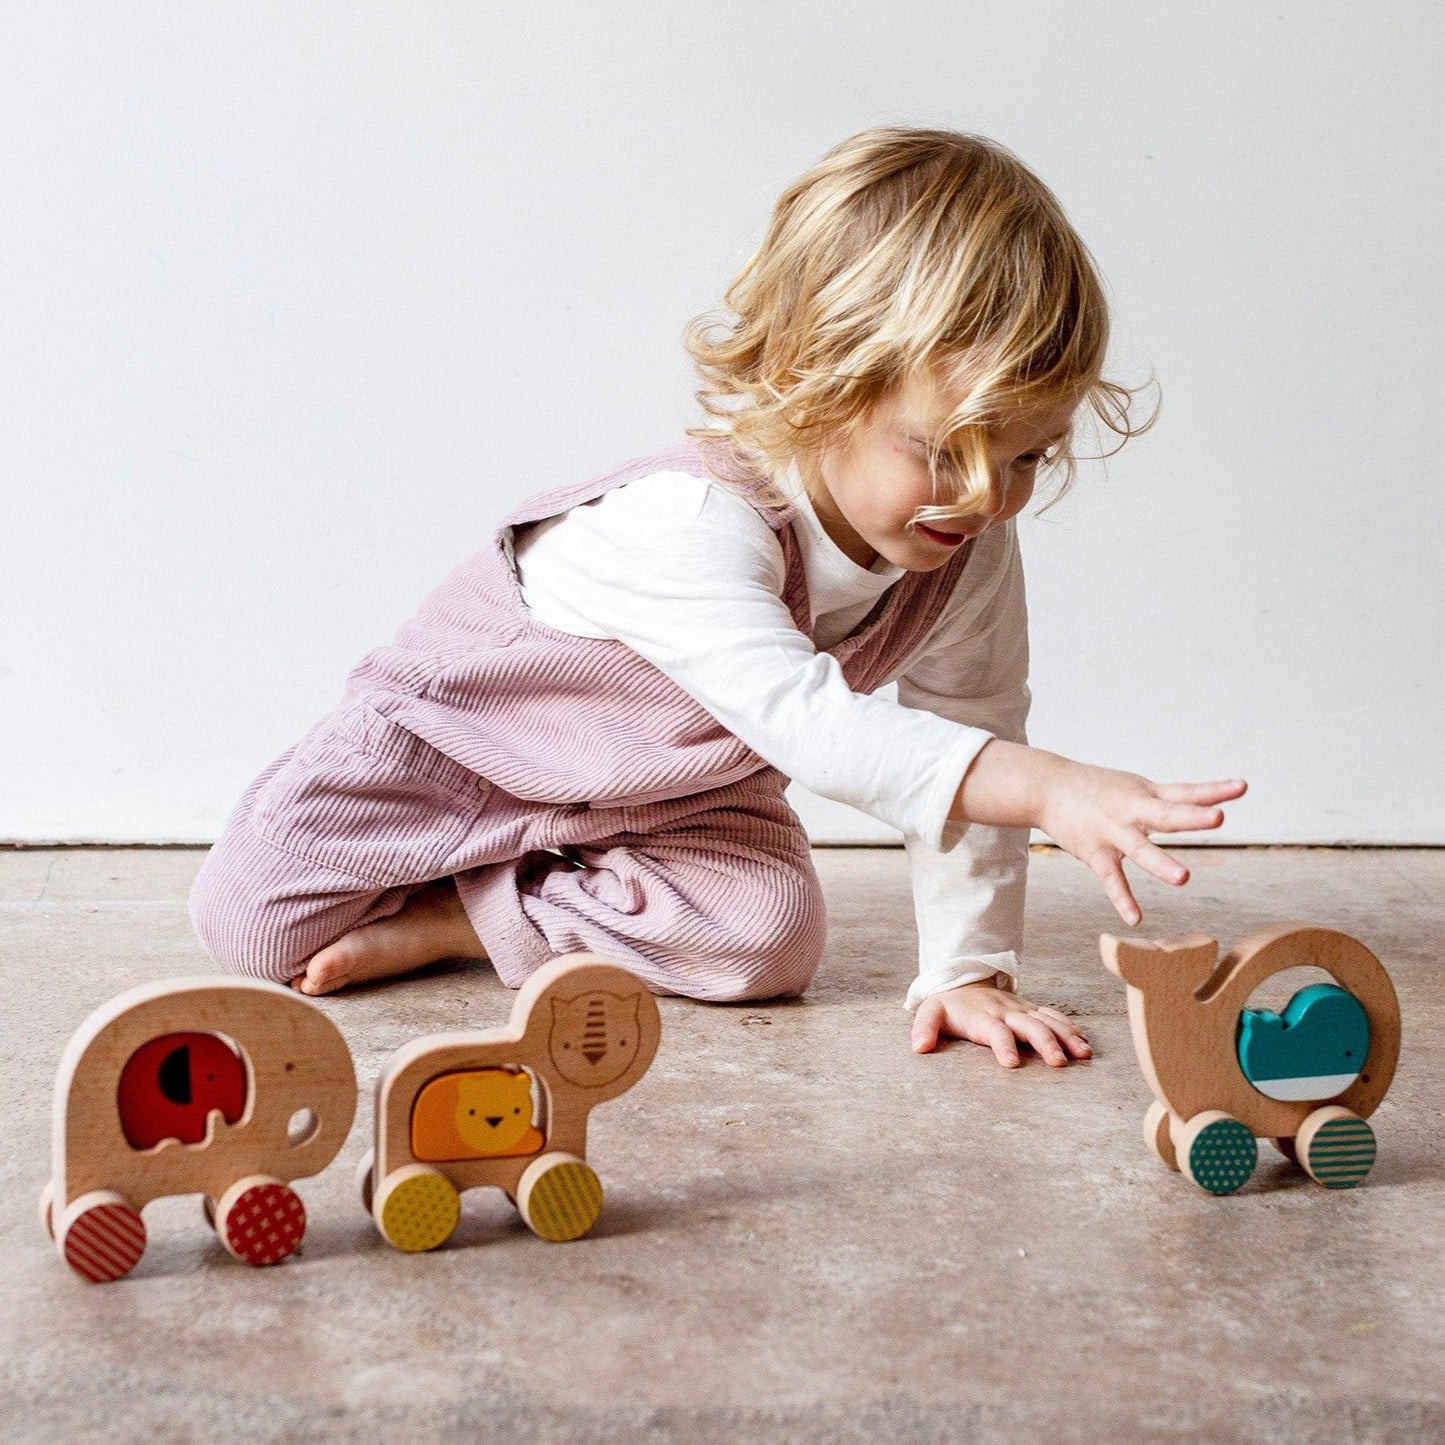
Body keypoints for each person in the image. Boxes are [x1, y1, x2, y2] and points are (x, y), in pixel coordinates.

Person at [188, 126, 1246, 1069]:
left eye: (1025, 457)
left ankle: (469, 920)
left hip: (667, 792)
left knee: (766, 941)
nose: (985, 496)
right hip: (459, 750)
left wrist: (966, 970)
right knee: (245, 921)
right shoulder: (695, 522)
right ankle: (489, 868)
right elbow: (818, 730)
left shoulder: (965, 545)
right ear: (817, 378)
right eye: (942, 451)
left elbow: (968, 723)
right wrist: (1051, 784)